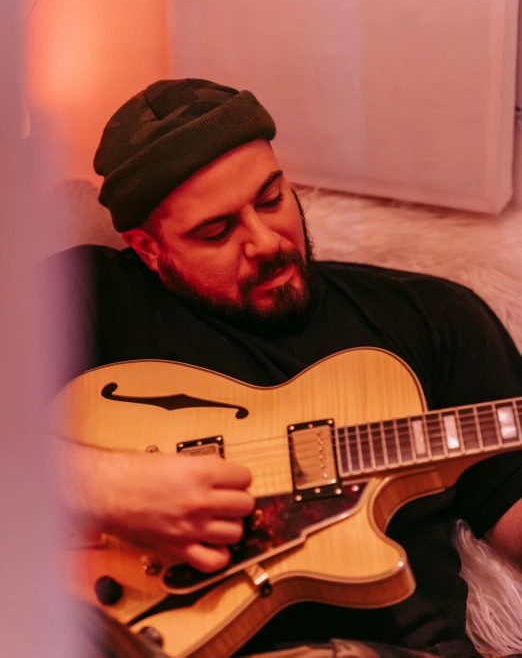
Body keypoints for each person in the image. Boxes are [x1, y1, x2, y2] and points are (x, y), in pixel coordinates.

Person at [49, 78, 522, 658]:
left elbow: (509, 502)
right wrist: (109, 487)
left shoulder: (434, 316)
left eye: (271, 199)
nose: (265, 241)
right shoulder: (86, 294)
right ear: (149, 249)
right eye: (217, 230)